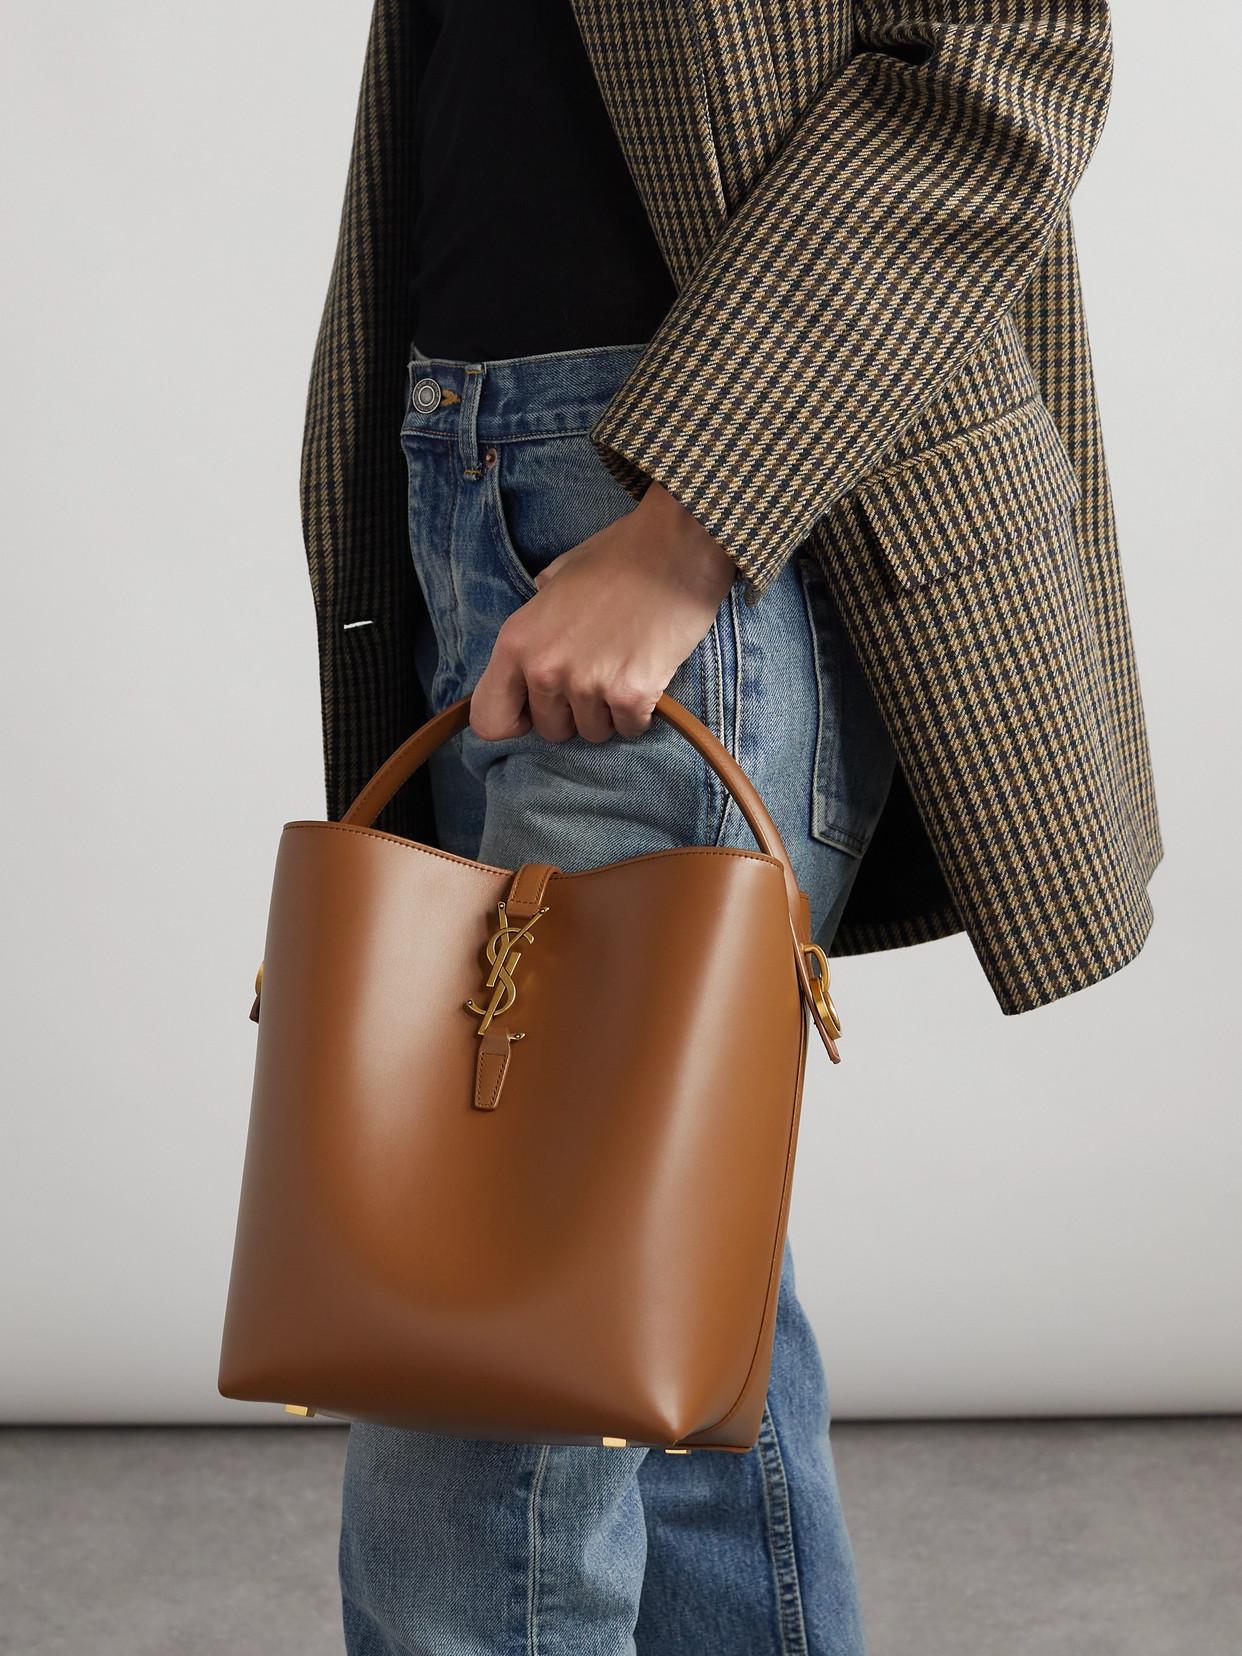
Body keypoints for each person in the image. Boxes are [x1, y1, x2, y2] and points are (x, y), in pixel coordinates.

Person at [298, 3, 1160, 1650]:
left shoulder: (687, 535)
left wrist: (682, 535)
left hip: (710, 521)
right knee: (656, 1336)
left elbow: (1000, 61)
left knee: (482, 1340)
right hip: (471, 480)